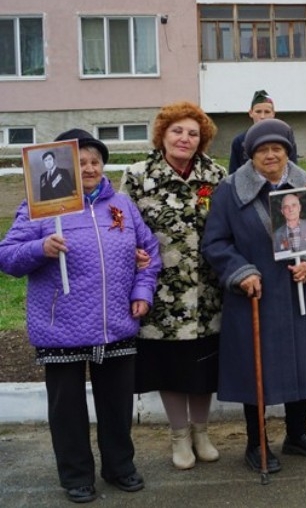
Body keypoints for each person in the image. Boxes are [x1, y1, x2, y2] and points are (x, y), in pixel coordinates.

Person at [0, 129, 160, 503]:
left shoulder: (122, 205)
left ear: (103, 165)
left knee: (117, 405)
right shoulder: (40, 206)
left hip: (115, 322)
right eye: (80, 162)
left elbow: (148, 255)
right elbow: (7, 257)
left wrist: (142, 292)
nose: (88, 168)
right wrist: (41, 247)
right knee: (67, 408)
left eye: (94, 161)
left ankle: (120, 467)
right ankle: (76, 476)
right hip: (61, 324)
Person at [202, 118, 306, 473]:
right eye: (262, 150)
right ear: (250, 155)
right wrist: (241, 272)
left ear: (287, 152)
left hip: (299, 291)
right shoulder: (230, 190)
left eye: (276, 149)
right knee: (256, 368)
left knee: (301, 361)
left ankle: (297, 434)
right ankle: (256, 442)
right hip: (255, 295)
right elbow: (215, 242)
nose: (270, 155)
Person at [122, 102, 228, 471]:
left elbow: (230, 227)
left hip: (207, 292)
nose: (185, 138)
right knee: (170, 367)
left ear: (202, 140)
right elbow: (122, 229)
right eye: (177, 131)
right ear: (162, 135)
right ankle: (179, 435)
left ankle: (202, 432)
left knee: (202, 368)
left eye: (193, 133)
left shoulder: (216, 176)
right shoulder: (137, 176)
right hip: (160, 291)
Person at [227, 90, 298, 174]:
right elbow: (233, 174)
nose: (262, 116)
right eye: (258, 112)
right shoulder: (239, 141)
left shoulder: (285, 139)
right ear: (251, 113)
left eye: (267, 112)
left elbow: (293, 170)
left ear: (273, 114)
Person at [272, 192, 306, 258]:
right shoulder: (276, 236)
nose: (291, 210)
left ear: (299, 208)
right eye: (286, 207)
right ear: (282, 211)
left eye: (294, 205)